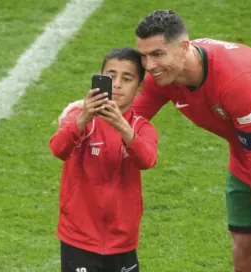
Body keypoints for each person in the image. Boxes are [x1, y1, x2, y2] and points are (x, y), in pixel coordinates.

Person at [59, 10, 251, 272]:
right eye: (144, 56)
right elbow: (128, 116)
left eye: (157, 54)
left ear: (184, 48)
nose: (149, 66)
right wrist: (84, 111)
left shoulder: (236, 81)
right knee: (245, 251)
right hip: (246, 158)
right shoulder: (164, 77)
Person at [49, 47, 158, 272]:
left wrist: (122, 127)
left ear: (139, 88)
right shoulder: (79, 117)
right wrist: (83, 118)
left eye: (126, 78)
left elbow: (147, 160)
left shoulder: (141, 127)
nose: (117, 84)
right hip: (79, 238)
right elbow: (58, 149)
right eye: (110, 76)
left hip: (122, 240)